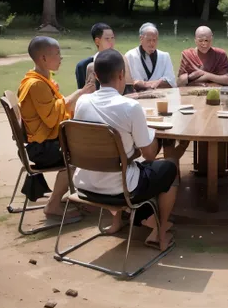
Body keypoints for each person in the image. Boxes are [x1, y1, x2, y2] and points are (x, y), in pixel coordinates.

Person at [72, 49, 180, 251]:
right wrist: (152, 130)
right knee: (170, 167)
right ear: (121, 75)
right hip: (120, 189)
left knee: (121, 161)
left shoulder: (82, 102)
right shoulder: (130, 107)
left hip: (84, 183)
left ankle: (119, 221)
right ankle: (160, 230)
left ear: (95, 76)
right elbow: (149, 155)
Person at [18, 36, 95, 220]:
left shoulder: (42, 78)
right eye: (57, 53)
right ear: (43, 58)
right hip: (41, 149)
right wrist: (82, 91)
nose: (61, 57)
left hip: (45, 142)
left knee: (82, 145)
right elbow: (53, 119)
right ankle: (53, 204)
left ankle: (77, 195)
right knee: (80, 153)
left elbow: (56, 107)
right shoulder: (36, 84)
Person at [125, 23, 176, 90]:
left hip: (161, 97)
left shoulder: (165, 56)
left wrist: (144, 84)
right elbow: (128, 84)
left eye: (154, 40)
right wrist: (158, 82)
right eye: (149, 40)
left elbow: (171, 82)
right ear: (141, 39)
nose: (152, 43)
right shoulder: (130, 56)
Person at [75, 23, 115, 89]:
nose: (111, 42)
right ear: (97, 41)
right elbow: (82, 93)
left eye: (113, 38)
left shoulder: (120, 61)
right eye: (107, 39)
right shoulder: (83, 66)